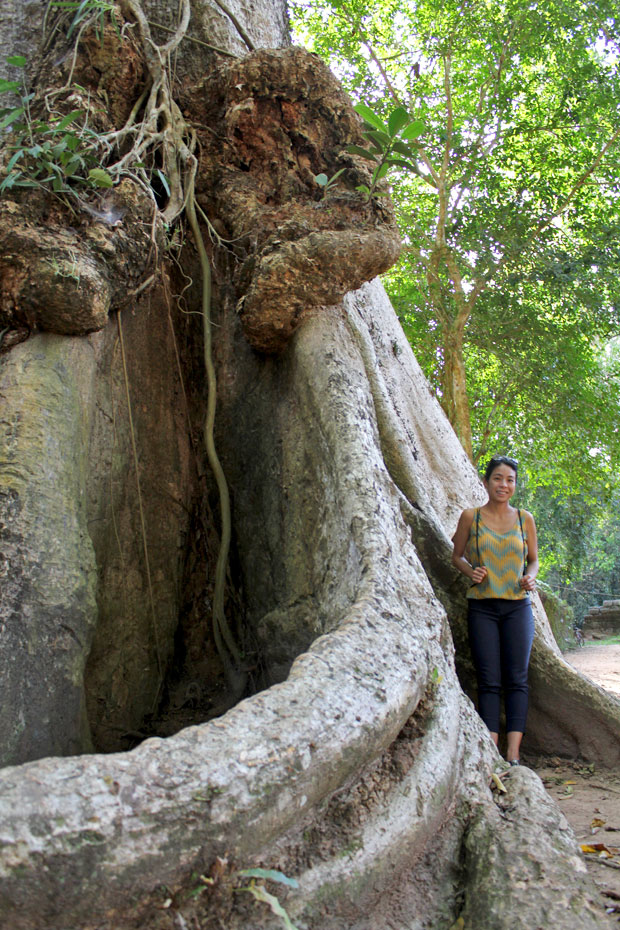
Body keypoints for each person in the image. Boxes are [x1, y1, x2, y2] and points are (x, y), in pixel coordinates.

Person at [451, 455, 539, 765]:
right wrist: (469, 571)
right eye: (498, 478)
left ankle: (513, 755)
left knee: (517, 679)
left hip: (518, 608)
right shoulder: (470, 517)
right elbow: (457, 556)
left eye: (510, 480)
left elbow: (533, 559)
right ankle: (490, 752)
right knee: (489, 680)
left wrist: (532, 576)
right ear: (486, 482)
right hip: (482, 608)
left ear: (515, 485)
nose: (504, 484)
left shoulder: (524, 519)